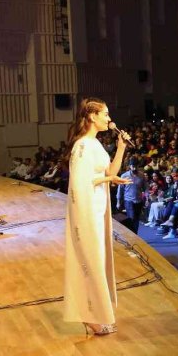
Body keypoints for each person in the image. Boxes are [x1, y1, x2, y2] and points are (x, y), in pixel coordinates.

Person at [63, 97, 131, 336]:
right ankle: (90, 316)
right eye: (105, 114)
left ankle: (96, 313)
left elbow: (110, 172)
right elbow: (81, 183)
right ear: (92, 116)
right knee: (90, 262)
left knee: (98, 262)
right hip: (87, 210)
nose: (109, 119)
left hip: (98, 208)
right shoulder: (82, 145)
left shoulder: (96, 144)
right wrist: (108, 180)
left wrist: (121, 147)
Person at [116, 160, 145, 235]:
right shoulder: (124, 176)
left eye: (136, 166)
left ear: (138, 166)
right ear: (130, 167)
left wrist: (146, 197)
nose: (134, 168)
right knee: (131, 217)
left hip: (138, 200)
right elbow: (120, 189)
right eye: (133, 166)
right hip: (128, 200)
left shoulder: (142, 175)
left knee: (136, 219)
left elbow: (146, 187)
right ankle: (132, 235)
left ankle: (135, 235)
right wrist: (118, 202)